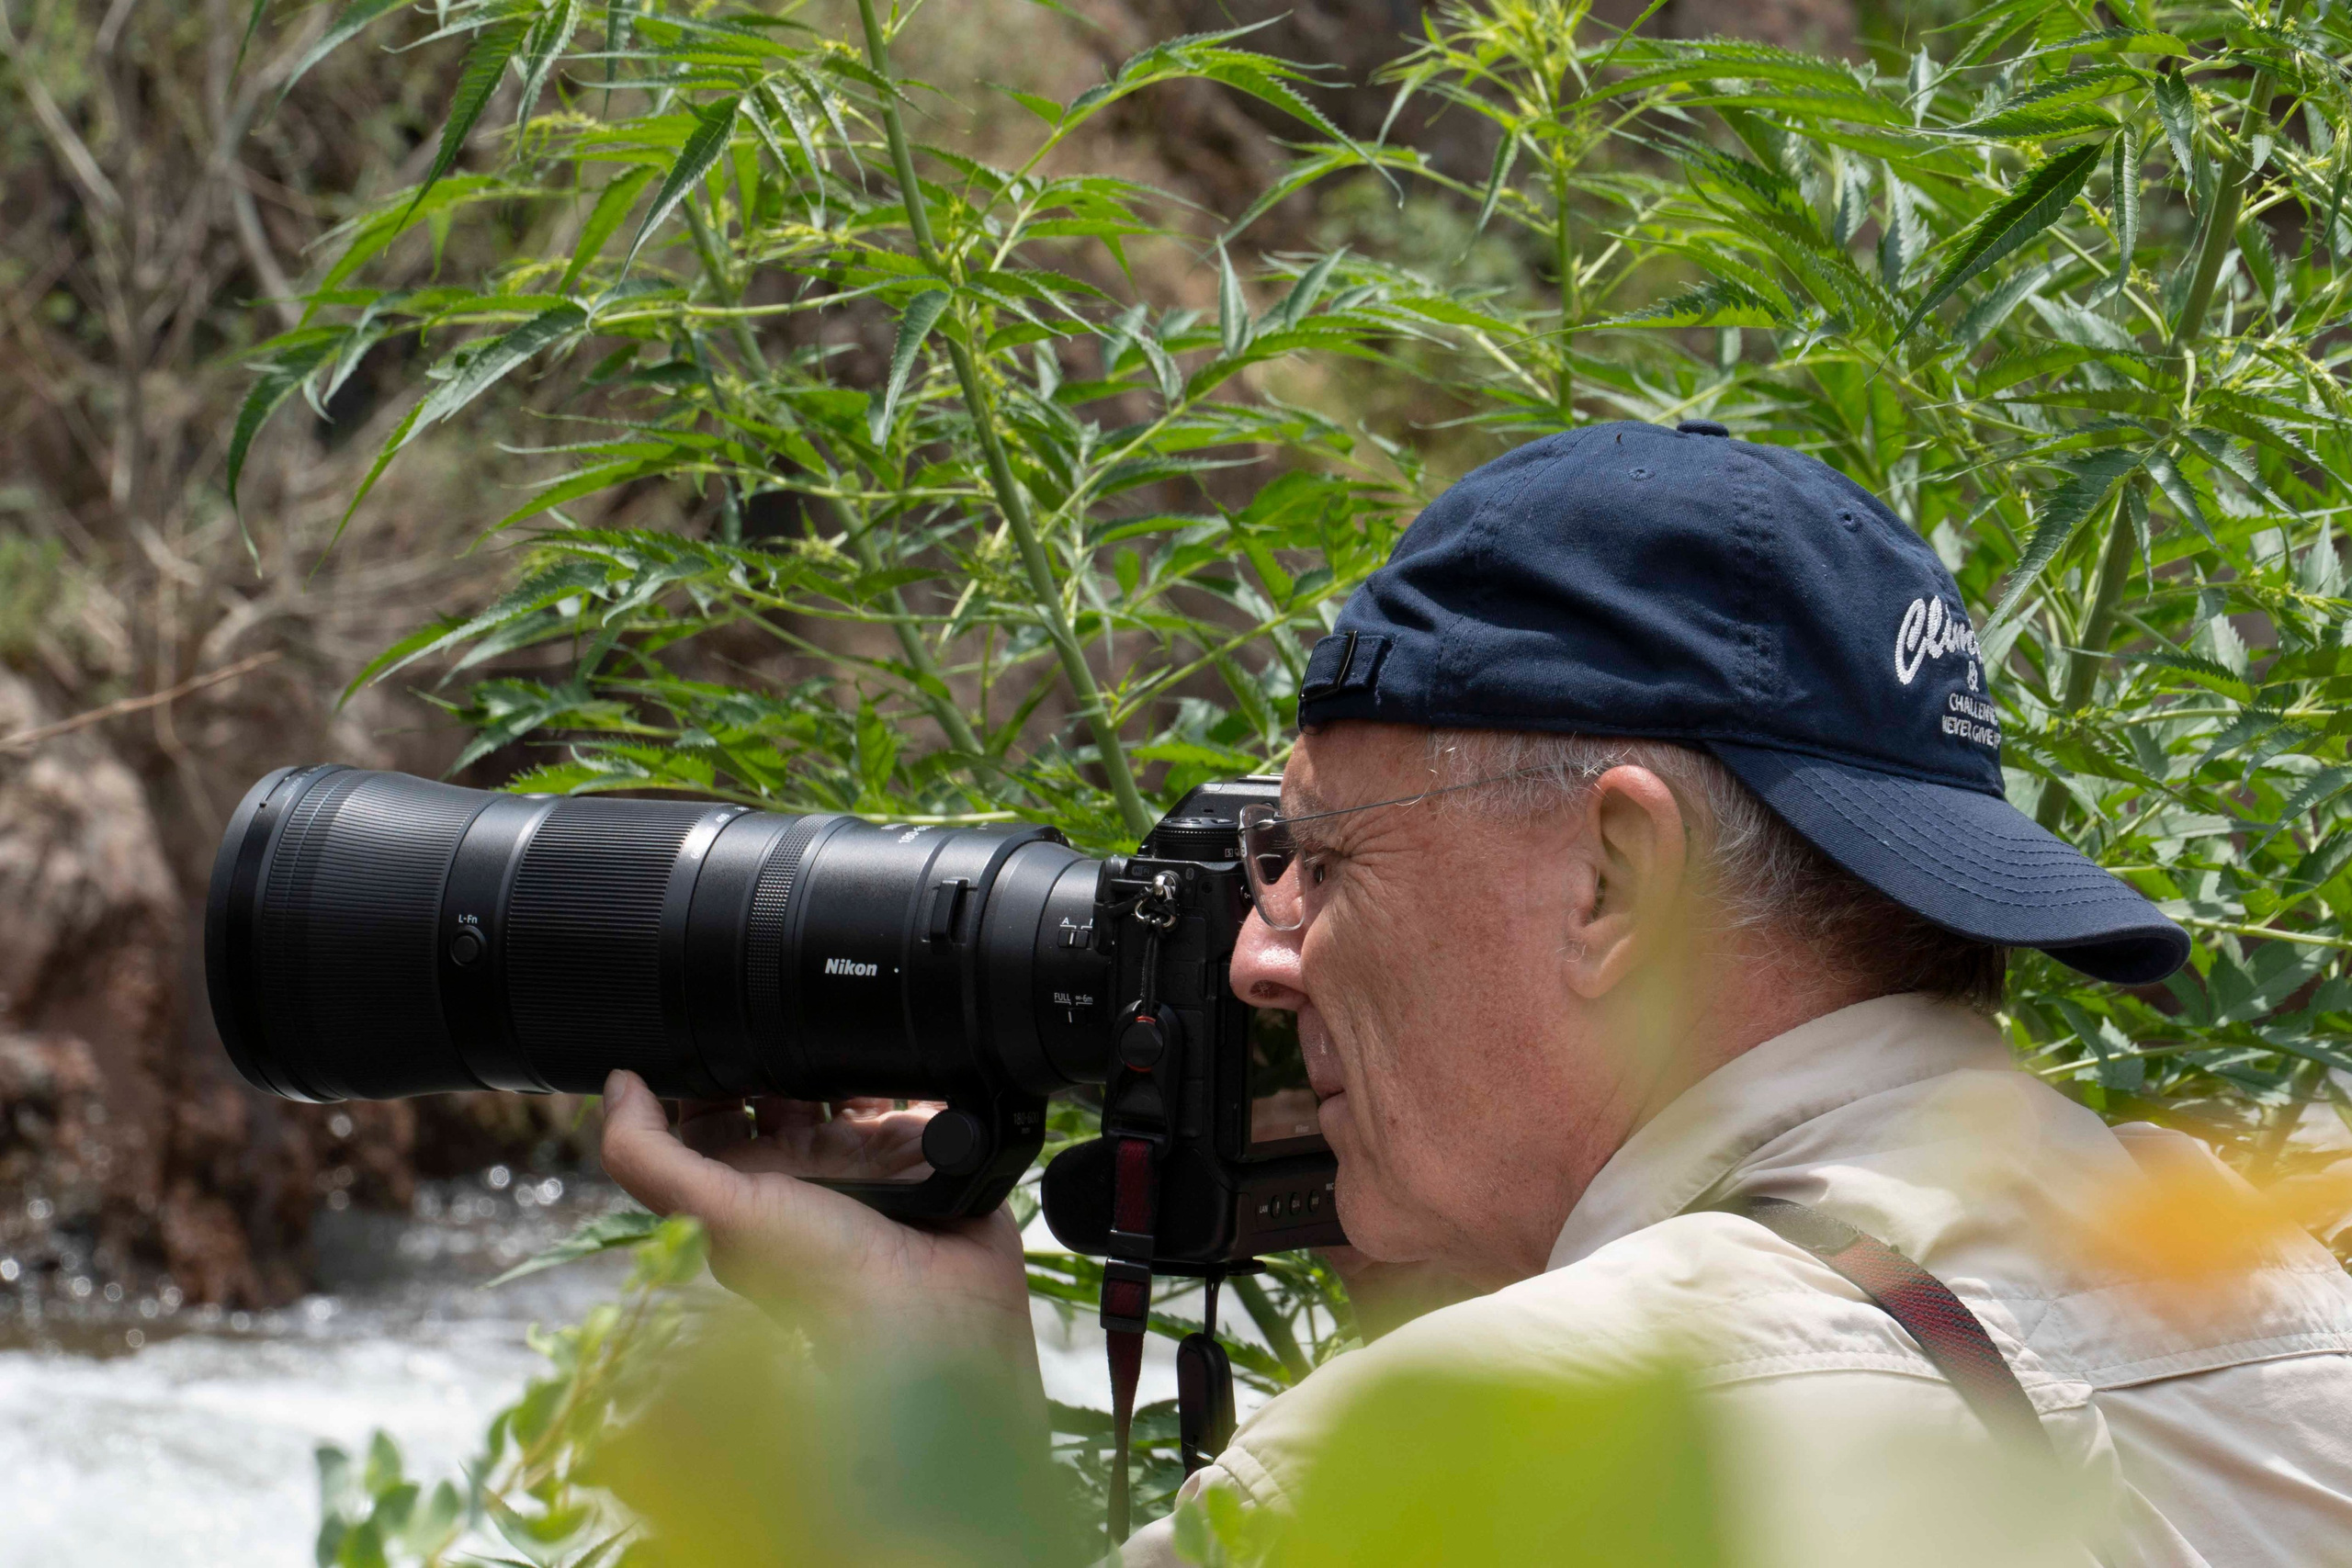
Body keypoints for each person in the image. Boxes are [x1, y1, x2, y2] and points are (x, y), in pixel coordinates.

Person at [599, 421, 2352, 1564]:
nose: (1261, 956)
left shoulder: (1490, 1460)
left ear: (1614, 879)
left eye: (1322, 861)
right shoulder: (2286, 1318)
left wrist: (919, 1429)